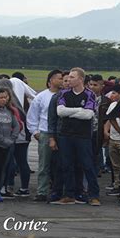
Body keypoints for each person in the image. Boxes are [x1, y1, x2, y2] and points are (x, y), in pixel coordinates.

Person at [56, 68, 101, 206]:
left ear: (80, 79)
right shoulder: (63, 93)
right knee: (67, 165)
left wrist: (70, 112)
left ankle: (94, 195)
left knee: (87, 165)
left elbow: (88, 114)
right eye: (68, 77)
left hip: (83, 136)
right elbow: (60, 112)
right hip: (66, 135)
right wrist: (78, 110)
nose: (68, 79)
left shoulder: (89, 95)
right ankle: (69, 194)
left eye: (72, 77)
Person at [27, 70, 63, 202]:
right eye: (59, 78)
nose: (62, 81)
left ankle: (58, 189)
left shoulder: (64, 96)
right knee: (44, 165)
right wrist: (35, 132)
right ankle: (42, 191)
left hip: (61, 133)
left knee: (60, 163)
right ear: (51, 81)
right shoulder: (41, 97)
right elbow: (32, 116)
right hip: (45, 133)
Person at [47, 71, 70, 203]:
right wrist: (52, 138)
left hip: (73, 136)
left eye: (69, 80)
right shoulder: (56, 97)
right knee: (57, 165)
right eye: (64, 80)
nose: (67, 83)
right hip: (59, 136)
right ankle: (56, 190)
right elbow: (52, 120)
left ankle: (70, 191)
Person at [104, 84, 120, 196]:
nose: (112, 95)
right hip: (113, 139)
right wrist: (106, 131)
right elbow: (109, 119)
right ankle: (116, 184)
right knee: (115, 165)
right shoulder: (113, 105)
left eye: (114, 93)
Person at [89, 74, 112, 174]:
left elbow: (109, 118)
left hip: (98, 132)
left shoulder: (107, 102)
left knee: (96, 155)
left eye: (95, 85)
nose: (92, 87)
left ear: (102, 86)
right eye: (91, 85)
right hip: (85, 132)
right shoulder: (85, 98)